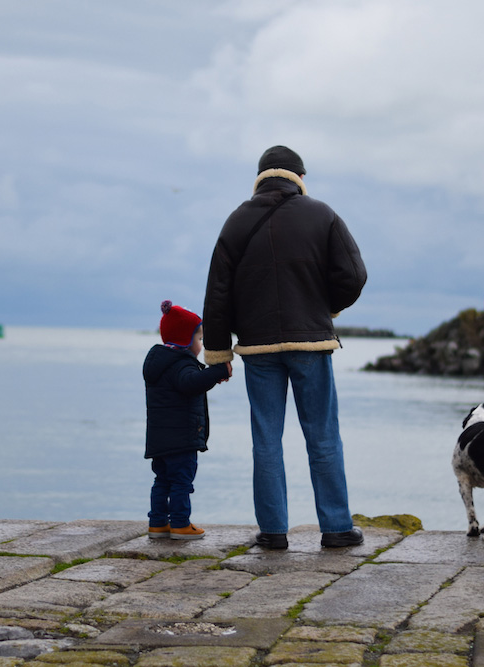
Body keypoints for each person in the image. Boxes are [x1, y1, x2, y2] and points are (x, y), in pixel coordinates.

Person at [202, 145, 368, 550]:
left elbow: (218, 293)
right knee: (323, 437)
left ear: (261, 176)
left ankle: (274, 531)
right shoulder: (322, 214)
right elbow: (354, 275)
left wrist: (219, 353)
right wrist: (324, 307)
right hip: (310, 343)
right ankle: (336, 529)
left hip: (257, 349)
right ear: (298, 177)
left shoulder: (236, 221)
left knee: (266, 439)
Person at [143, 300, 231, 540]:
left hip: (160, 439)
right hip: (181, 438)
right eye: (199, 339)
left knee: (162, 480)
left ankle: (158, 523)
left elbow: (188, 382)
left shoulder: (161, 364)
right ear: (184, 339)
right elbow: (190, 384)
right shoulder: (181, 364)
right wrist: (218, 371)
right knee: (182, 481)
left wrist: (208, 375)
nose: (201, 345)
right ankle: (180, 523)